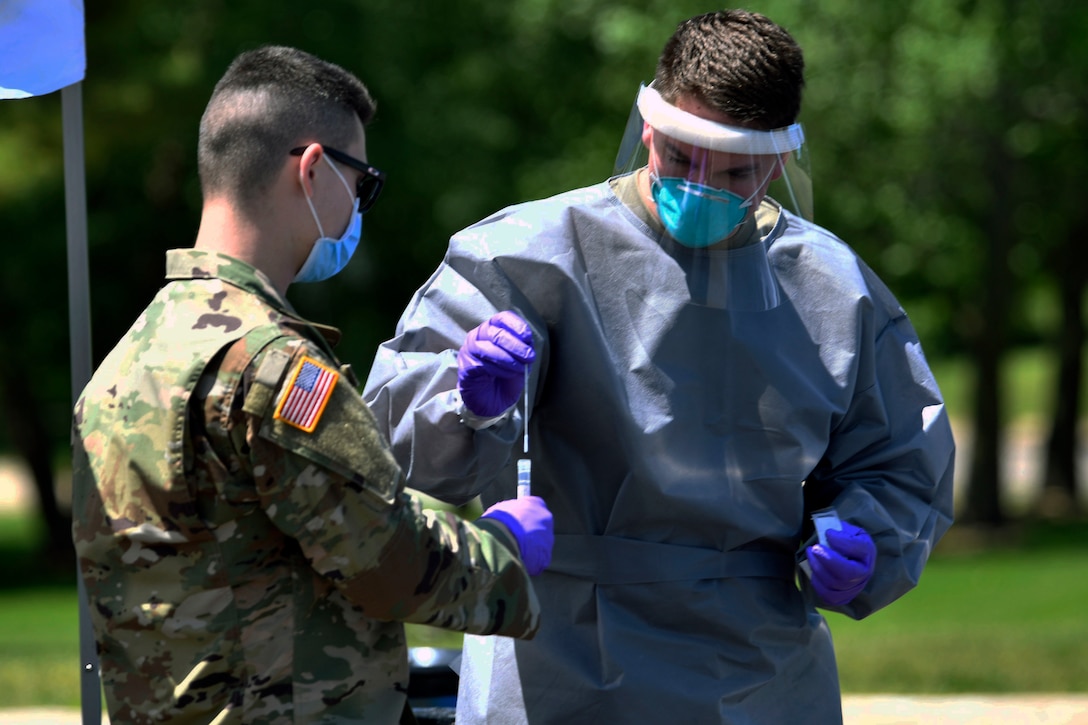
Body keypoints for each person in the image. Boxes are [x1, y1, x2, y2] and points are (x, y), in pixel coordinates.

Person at [363, 9, 955, 725]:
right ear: (648, 126)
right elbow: (388, 449)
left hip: (757, 669)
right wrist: (465, 400)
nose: (700, 186)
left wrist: (866, 538)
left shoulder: (834, 289)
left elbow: (901, 465)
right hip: (559, 658)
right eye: (679, 157)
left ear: (777, 161)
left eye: (734, 171)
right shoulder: (528, 256)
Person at [71, 45, 553, 725]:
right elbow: (384, 559)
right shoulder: (271, 363)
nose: (359, 204)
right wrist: (503, 546)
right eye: (363, 181)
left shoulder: (125, 362)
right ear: (315, 167)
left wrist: (462, 413)